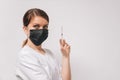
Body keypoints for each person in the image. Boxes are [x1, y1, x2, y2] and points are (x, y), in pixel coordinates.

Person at [16, 8, 71, 80]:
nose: (41, 30)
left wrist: (65, 56)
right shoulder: (25, 55)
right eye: (36, 26)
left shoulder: (49, 53)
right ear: (25, 29)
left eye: (45, 27)